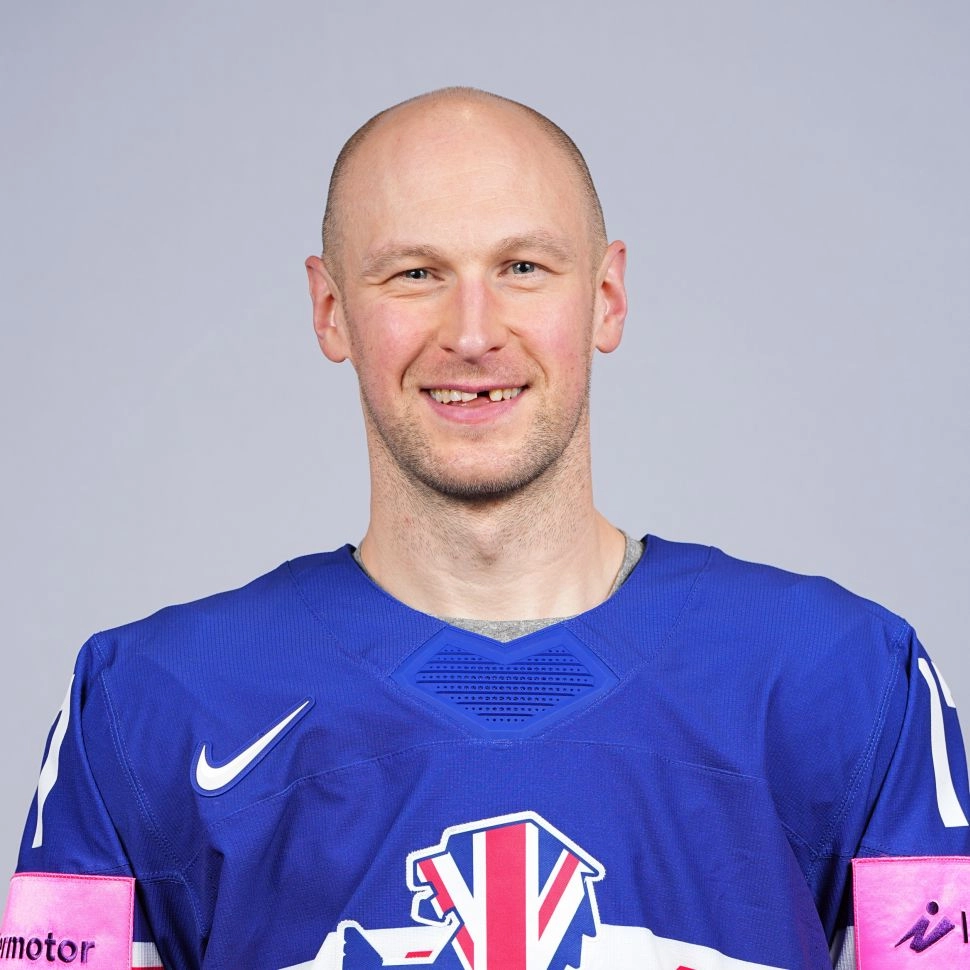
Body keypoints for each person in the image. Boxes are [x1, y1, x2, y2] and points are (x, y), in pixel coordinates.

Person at [1, 87, 968, 970]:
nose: (472, 332)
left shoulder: (846, 679)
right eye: (415, 272)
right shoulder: (146, 706)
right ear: (331, 310)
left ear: (606, 297)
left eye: (523, 267)